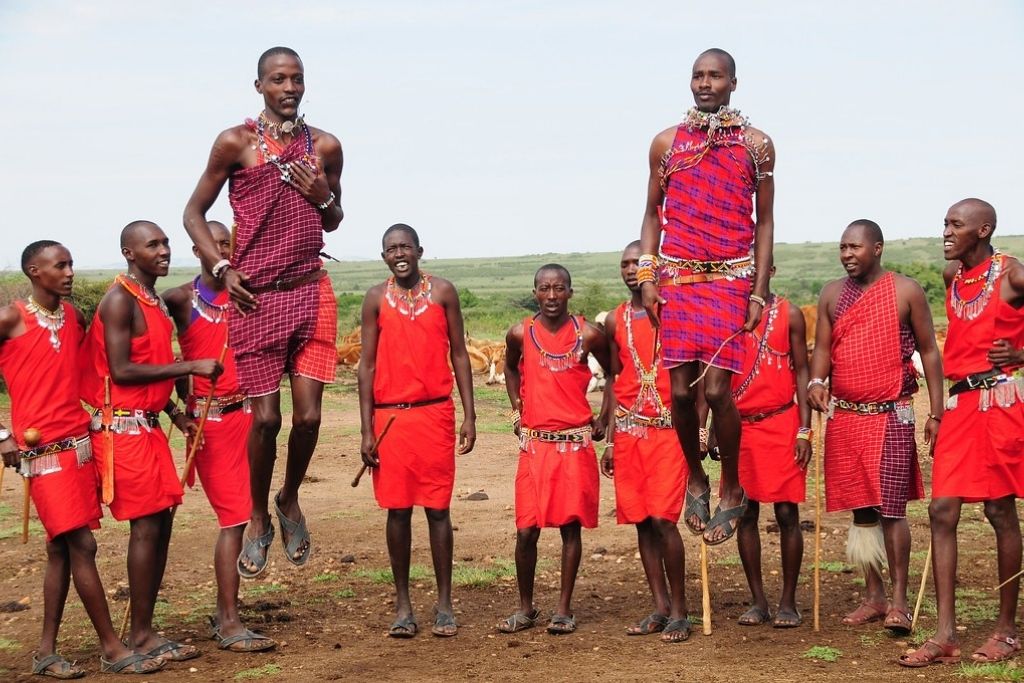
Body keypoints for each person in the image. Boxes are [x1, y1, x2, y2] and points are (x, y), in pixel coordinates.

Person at [182, 46, 343, 577]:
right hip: (257, 298)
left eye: (296, 78)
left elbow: (335, 219)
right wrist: (222, 269)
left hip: (310, 288)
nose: (289, 87)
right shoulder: (236, 143)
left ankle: (289, 497)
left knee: (311, 416)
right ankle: (256, 515)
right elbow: (194, 213)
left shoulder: (325, 146)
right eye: (278, 79)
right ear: (259, 87)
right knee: (267, 419)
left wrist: (322, 195)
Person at [0, 241, 164, 677]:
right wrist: (2, 434)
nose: (70, 272)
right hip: (42, 453)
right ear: (35, 271)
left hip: (80, 445)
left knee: (60, 550)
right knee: (82, 545)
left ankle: (45, 651)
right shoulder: (11, 317)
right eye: (60, 265)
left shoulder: (72, 317)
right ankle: (112, 647)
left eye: (71, 264)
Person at [638, 48, 775, 545]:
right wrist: (649, 276)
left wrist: (759, 292)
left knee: (717, 391)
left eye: (715, 76)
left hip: (730, 281)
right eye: (697, 75)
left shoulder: (757, 147)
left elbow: (765, 223)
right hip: (678, 280)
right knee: (678, 393)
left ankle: (731, 486)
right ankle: (695, 476)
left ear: (734, 83)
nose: (704, 83)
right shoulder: (666, 144)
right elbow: (652, 214)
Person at [80, 221, 222, 664]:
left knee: (161, 526)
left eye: (165, 243)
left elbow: (149, 364)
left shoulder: (152, 299)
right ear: (128, 252)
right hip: (122, 432)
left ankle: (145, 630)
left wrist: (175, 413)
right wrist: (190, 367)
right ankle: (139, 636)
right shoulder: (120, 300)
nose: (164, 250)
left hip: (147, 428)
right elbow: (121, 371)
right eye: (152, 245)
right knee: (146, 527)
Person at [900, 199, 1024, 667]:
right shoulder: (954, 277)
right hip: (960, 403)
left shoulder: (1012, 274)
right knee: (941, 509)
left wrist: (1021, 352)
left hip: (999, 402)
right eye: (945, 223)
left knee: (998, 509)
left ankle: (1008, 631)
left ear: (984, 229)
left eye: (955, 225)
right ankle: (946, 634)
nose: (946, 231)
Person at [807, 220, 944, 634]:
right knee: (861, 509)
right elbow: (824, 349)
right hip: (845, 416)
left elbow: (930, 352)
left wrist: (937, 412)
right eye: (842, 247)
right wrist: (816, 382)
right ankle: (874, 595)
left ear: (878, 248)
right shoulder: (832, 293)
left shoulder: (906, 290)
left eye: (855, 247)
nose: (847, 254)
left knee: (891, 508)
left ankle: (900, 602)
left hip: (890, 414)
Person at [357, 224, 476, 639]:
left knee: (439, 508)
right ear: (384, 256)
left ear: (420, 250)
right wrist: (365, 429)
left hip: (435, 414)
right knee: (398, 509)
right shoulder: (375, 298)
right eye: (391, 248)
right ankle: (403, 604)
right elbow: (366, 366)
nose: (399, 252)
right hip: (390, 419)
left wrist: (470, 415)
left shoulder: (443, 292)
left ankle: (444, 604)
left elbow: (459, 353)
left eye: (405, 245)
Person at [162, 221, 276, 653]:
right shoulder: (177, 299)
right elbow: (162, 357)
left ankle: (227, 611)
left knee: (243, 513)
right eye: (215, 245)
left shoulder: (247, 292)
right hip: (208, 423)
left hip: (249, 418)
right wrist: (176, 410)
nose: (223, 251)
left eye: (230, 244)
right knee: (232, 518)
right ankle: (228, 621)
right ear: (198, 250)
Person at [498, 264, 610, 636]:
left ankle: (563, 609)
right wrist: (517, 408)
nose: (550, 296)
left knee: (569, 528)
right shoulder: (520, 333)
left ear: (569, 293)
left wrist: (603, 418)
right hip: (533, 446)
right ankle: (526, 608)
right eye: (544, 289)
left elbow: (615, 373)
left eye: (558, 289)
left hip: (574, 445)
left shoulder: (589, 334)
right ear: (535, 292)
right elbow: (509, 369)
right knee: (526, 530)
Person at [599, 241, 691, 643]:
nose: (632, 269)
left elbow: (696, 374)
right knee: (640, 520)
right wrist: (609, 438)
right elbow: (612, 377)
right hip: (630, 431)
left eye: (639, 262)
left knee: (663, 519)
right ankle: (660, 606)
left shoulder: (675, 311)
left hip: (671, 431)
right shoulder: (613, 319)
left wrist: (700, 428)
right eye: (625, 263)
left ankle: (682, 611)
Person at [730, 268, 811, 628]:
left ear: (771, 271)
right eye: (740, 270)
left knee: (787, 514)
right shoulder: (726, 314)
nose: (748, 277)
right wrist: (710, 429)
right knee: (744, 513)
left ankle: (789, 602)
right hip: (739, 428)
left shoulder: (789, 314)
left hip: (782, 423)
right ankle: (758, 601)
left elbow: (803, 373)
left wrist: (805, 431)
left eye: (756, 269)